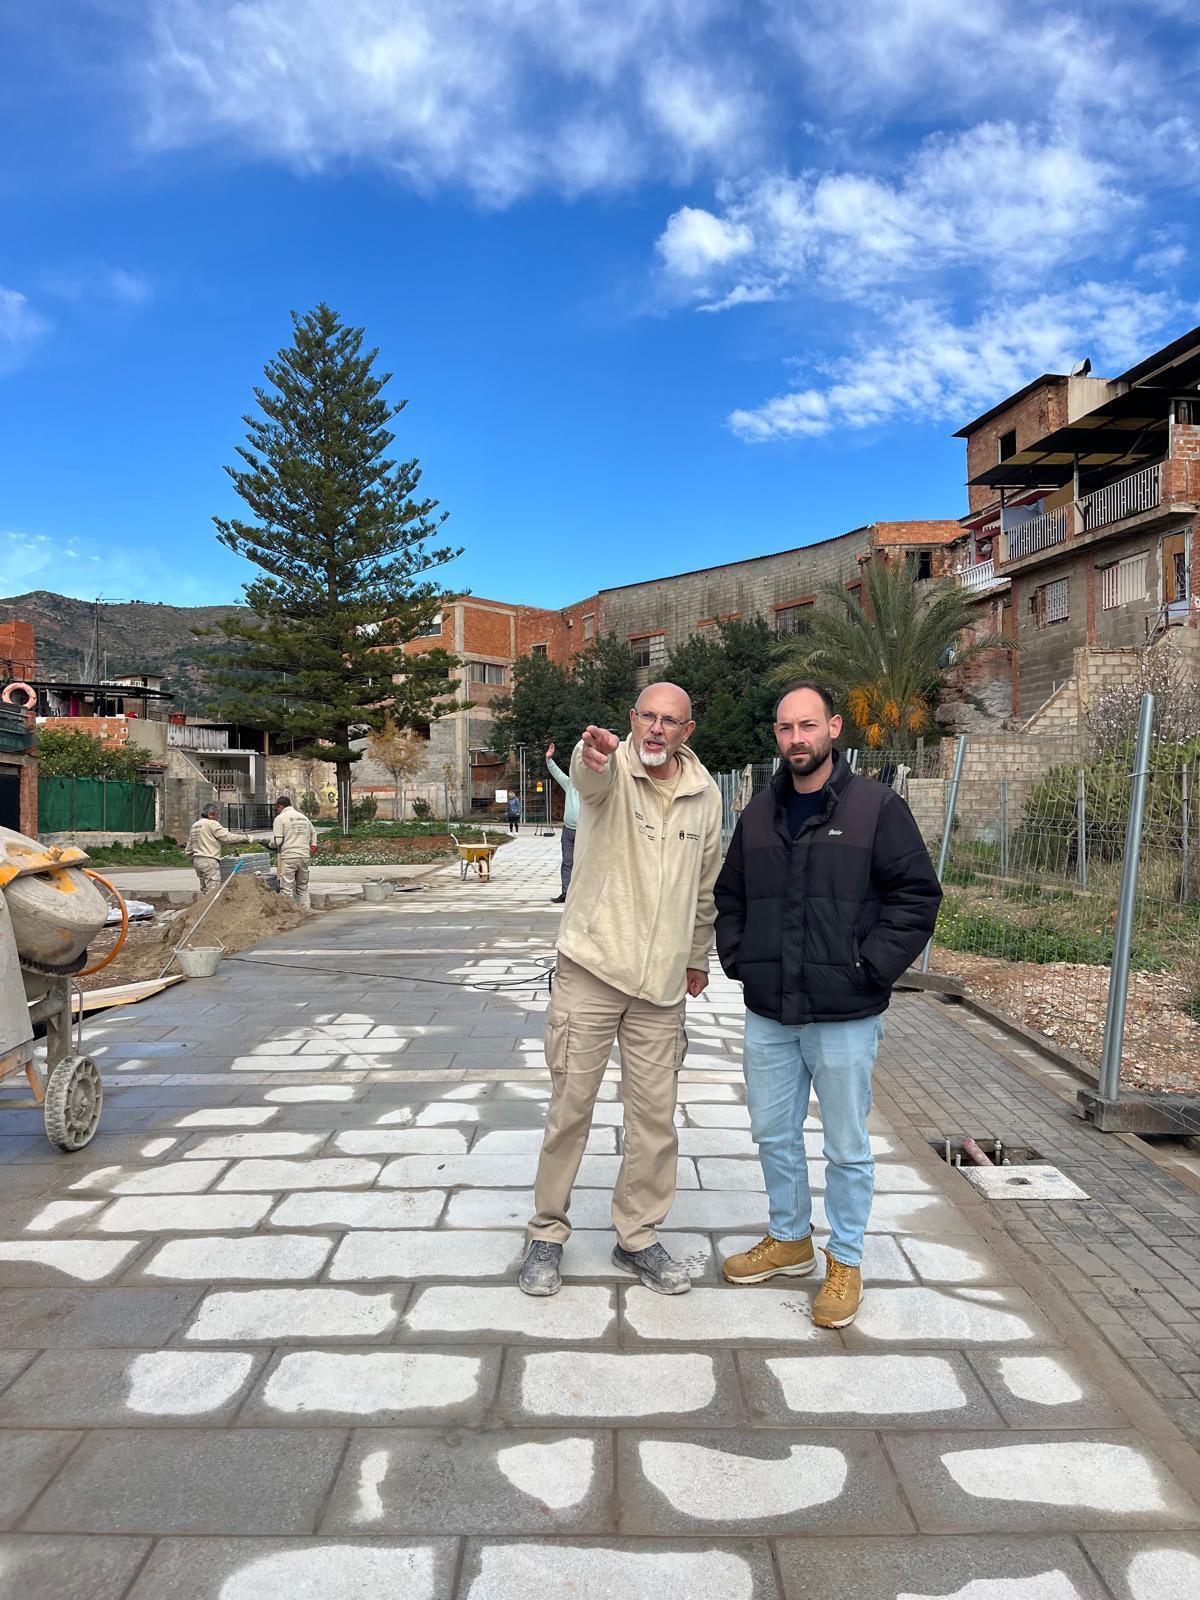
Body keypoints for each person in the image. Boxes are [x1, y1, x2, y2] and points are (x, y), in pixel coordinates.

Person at [714, 683, 941, 1328]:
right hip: (770, 1012)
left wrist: (869, 967)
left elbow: (916, 897)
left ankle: (844, 1258)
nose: (797, 739)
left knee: (846, 1144)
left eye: (807, 725)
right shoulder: (758, 813)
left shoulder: (876, 807)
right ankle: (790, 1239)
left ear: (834, 728)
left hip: (844, 1015)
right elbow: (730, 896)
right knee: (772, 1133)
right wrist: (740, 958)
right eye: (786, 728)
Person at [519, 683, 723, 1298]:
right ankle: (546, 1232)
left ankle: (637, 1236)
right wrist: (592, 757)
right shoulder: (611, 768)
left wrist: (696, 956)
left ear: (687, 731)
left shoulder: (705, 794)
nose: (657, 729)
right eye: (648, 717)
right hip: (592, 969)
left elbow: (706, 884)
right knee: (569, 1109)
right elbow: (589, 779)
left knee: (655, 1121)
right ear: (632, 720)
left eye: (670, 721)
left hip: (661, 986)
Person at [183, 804, 249, 896]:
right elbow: (227, 837)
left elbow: (189, 849)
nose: (218, 817)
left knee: (204, 891)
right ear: (211, 814)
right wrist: (246, 838)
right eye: (217, 814)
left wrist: (193, 860)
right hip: (209, 860)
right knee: (212, 892)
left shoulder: (195, 825)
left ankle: (204, 905)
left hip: (197, 861)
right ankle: (211, 905)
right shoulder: (212, 823)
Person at [544, 741, 580, 904]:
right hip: (568, 831)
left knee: (584, 864)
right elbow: (557, 773)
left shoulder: (592, 787)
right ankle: (566, 893)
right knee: (567, 863)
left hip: (585, 831)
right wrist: (549, 759)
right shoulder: (570, 784)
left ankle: (582, 895)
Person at [271, 795, 318, 909]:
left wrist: (269, 844)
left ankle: (291, 913)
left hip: (289, 857)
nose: (277, 811)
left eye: (277, 808)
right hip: (304, 855)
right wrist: (313, 845)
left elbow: (277, 841)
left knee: (287, 888)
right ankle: (306, 910)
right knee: (303, 887)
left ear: (279, 806)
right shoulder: (303, 817)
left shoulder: (280, 818)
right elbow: (313, 832)